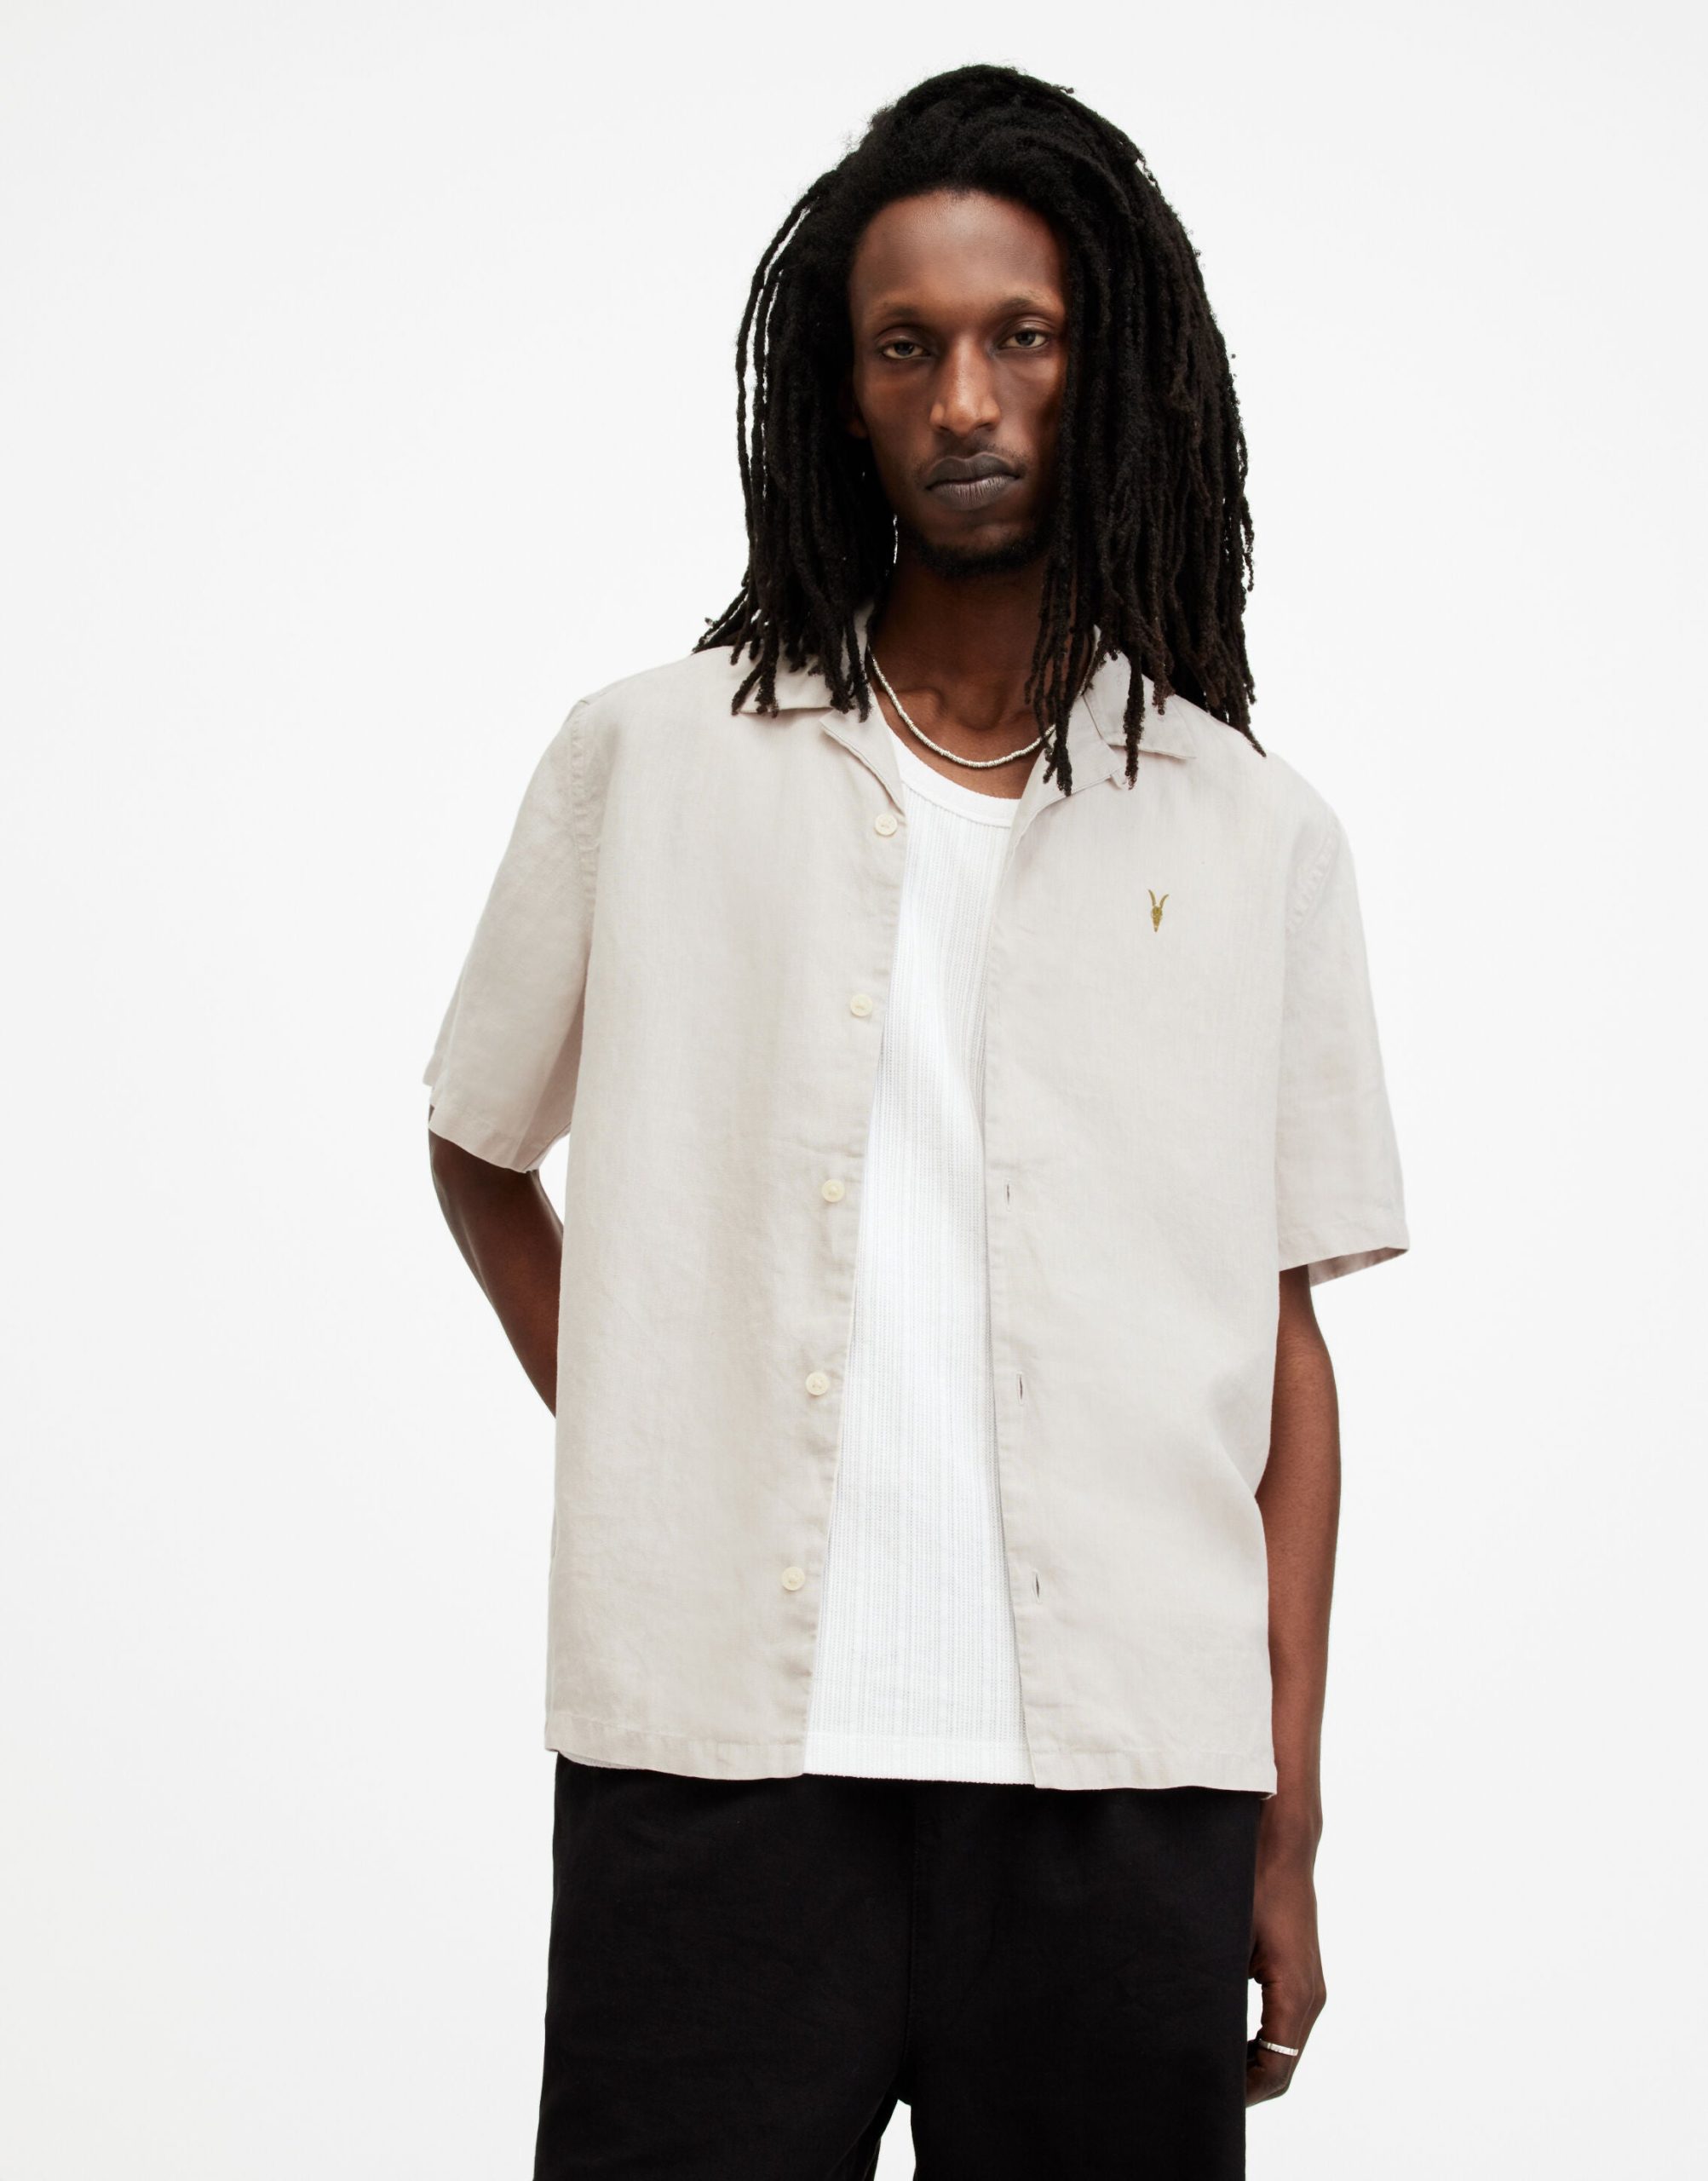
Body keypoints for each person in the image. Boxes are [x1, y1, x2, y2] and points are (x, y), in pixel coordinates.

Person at [424, 62, 1409, 2181]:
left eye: (1020, 336)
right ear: (838, 393)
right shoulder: (648, 761)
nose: (966, 398)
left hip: (1126, 1789)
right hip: (711, 1766)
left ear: (1108, 368)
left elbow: (1286, 1348)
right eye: (907, 345)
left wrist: (1288, 1810)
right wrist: (650, 1415)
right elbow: (478, 1139)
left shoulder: (1253, 833)